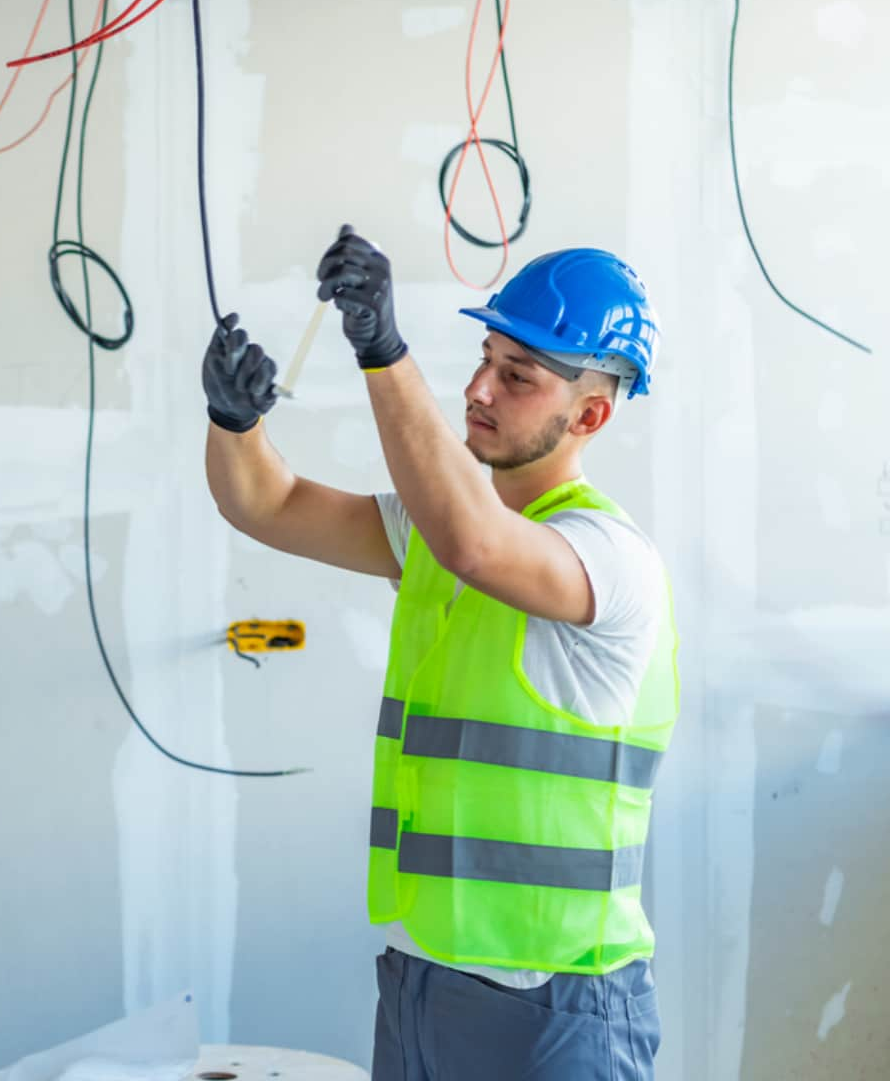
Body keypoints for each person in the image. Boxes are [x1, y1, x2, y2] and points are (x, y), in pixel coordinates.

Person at [201, 229, 677, 1080]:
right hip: (422, 982)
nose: (479, 388)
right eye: (485, 356)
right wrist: (234, 422)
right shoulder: (432, 530)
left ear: (591, 414)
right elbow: (266, 505)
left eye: (518, 375)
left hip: (557, 1005)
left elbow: (477, 544)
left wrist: (384, 353)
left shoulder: (608, 557)